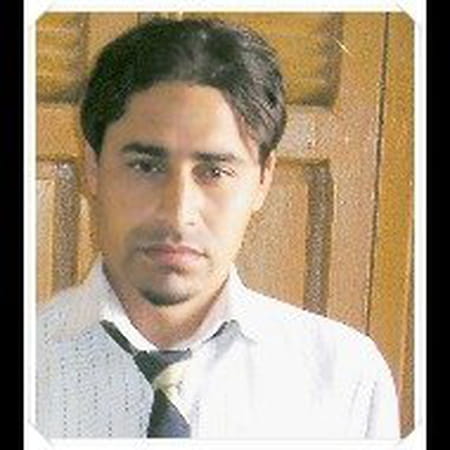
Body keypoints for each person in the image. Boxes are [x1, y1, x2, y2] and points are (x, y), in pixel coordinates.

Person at [36, 17, 400, 439]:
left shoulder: (346, 381)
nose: (178, 213)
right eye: (145, 166)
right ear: (93, 167)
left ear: (263, 180)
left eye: (214, 171)